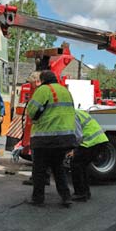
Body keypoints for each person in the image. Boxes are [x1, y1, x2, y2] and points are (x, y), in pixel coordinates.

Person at [26, 70, 78, 207]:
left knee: (39, 170)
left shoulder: (43, 90)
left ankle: (38, 199)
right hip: (64, 138)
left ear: (42, 80)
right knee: (58, 168)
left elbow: (31, 111)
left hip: (44, 138)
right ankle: (66, 197)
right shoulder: (65, 91)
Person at [70, 110, 109, 202]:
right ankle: (85, 192)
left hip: (91, 142)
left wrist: (74, 150)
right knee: (82, 166)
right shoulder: (77, 112)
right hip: (99, 140)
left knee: (76, 164)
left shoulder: (72, 116)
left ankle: (80, 194)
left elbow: (78, 136)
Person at [22, 71, 51, 187]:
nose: (30, 85)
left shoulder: (40, 91)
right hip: (47, 128)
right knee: (46, 157)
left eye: (31, 82)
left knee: (37, 157)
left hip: (40, 129)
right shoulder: (47, 90)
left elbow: (36, 109)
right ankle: (45, 178)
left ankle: (37, 181)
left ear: (36, 81)